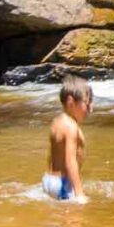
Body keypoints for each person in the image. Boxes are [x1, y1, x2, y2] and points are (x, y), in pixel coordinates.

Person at [42, 75, 92, 203]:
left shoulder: (56, 121)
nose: (90, 109)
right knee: (73, 220)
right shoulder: (71, 127)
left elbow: (51, 156)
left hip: (49, 180)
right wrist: (79, 193)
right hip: (63, 183)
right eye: (86, 103)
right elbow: (70, 161)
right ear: (71, 102)